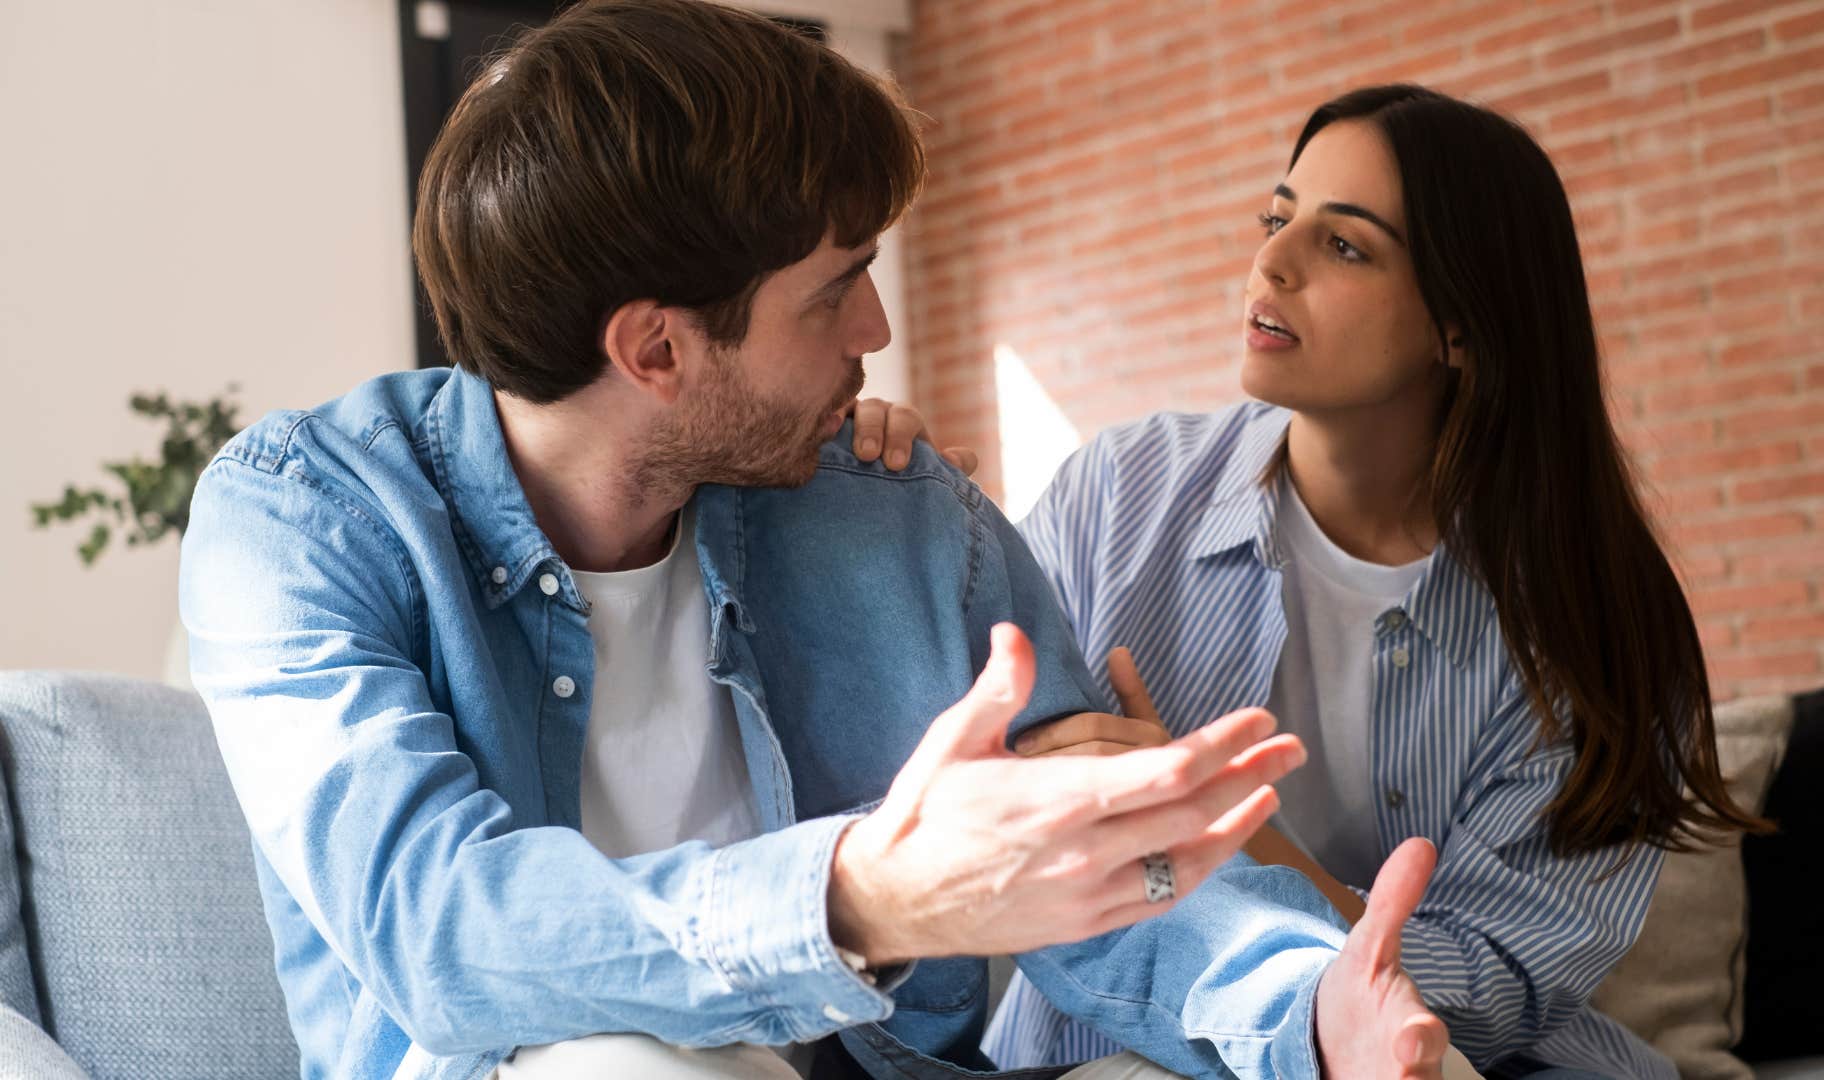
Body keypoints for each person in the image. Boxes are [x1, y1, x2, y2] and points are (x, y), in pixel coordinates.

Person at [179, 8, 1454, 1080]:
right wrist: (866, 893)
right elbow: (440, 933)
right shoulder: (304, 520)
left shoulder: (892, 508)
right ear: (657, 351)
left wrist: (1310, 1004)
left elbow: (1100, 868)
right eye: (835, 286)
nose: (879, 327)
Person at [983, 83, 1769, 1080]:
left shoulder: (1592, 620)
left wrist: (1216, 834)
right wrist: (893, 490)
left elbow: (1482, 996)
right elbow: (957, 786)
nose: (1271, 261)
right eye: (1279, 218)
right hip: (1115, 1047)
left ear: (1463, 327)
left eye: (1344, 246)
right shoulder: (1119, 495)